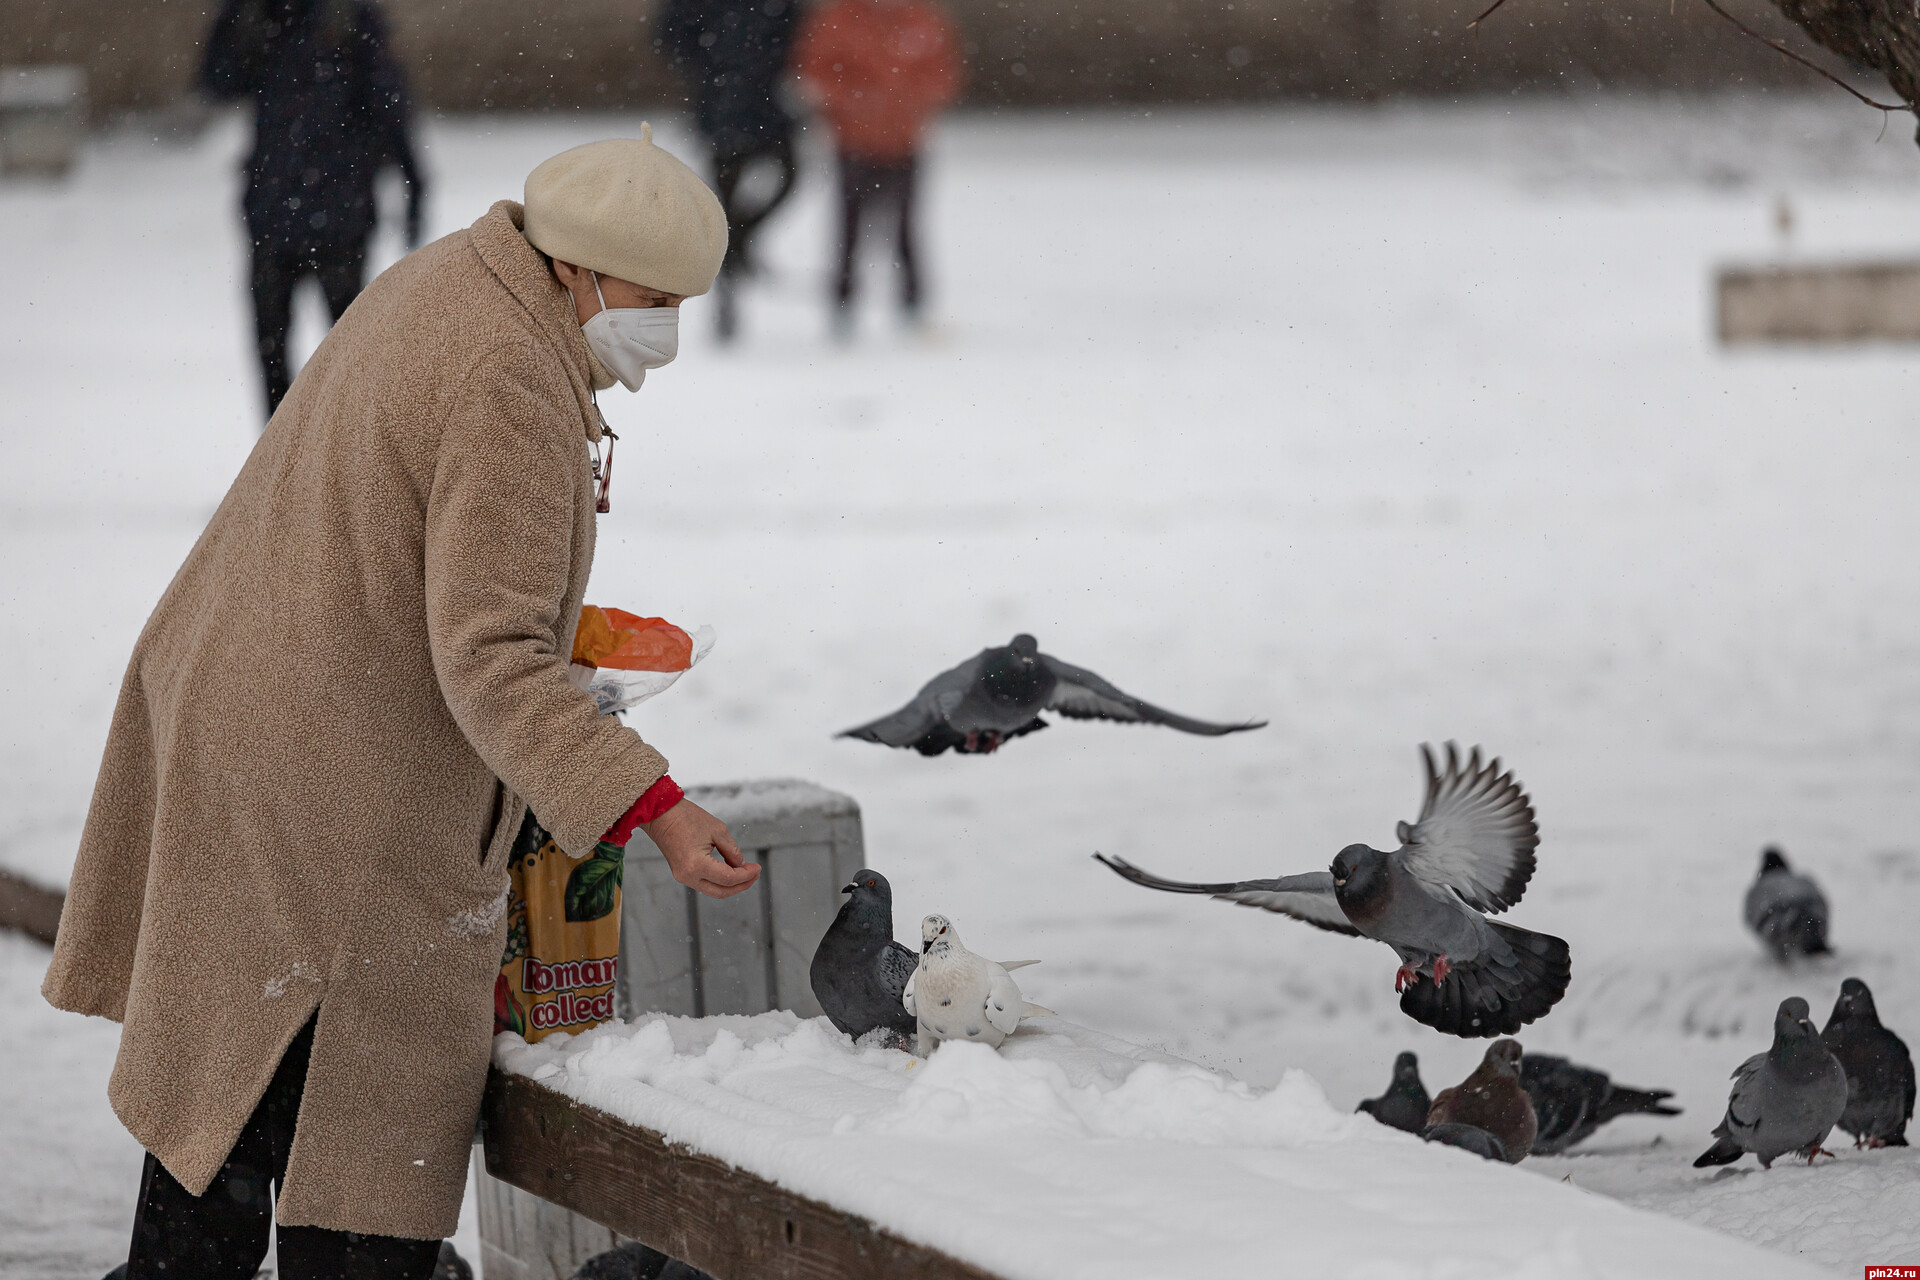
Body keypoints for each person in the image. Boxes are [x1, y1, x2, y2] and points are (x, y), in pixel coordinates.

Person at [43, 130, 759, 1280]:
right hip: (336, 775)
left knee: (224, 1100)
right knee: (358, 1132)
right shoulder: (511, 374)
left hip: (263, 709)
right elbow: (488, 656)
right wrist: (655, 803)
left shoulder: (459, 278)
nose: (667, 325)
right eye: (653, 294)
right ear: (577, 266)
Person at [201, 0, 425, 418]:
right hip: (273, 218)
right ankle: (282, 470)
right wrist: (237, 18)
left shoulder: (348, 15)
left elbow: (389, 105)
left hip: (339, 218)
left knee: (348, 361)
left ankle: (348, 466)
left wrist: (416, 185)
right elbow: (217, 81)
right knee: (273, 357)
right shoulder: (261, 14)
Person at [792, 0, 962, 337]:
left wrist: (907, 104)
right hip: (853, 143)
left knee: (906, 227)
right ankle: (843, 304)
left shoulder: (920, 18)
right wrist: (854, 103)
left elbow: (943, 74)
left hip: (905, 142)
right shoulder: (841, 18)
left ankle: (912, 304)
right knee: (848, 228)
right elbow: (816, 71)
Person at [657, 0, 804, 341]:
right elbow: (669, 34)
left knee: (788, 176)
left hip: (764, 101)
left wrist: (771, 63)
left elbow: (796, 27)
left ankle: (739, 243)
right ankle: (727, 303)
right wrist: (710, 68)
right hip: (722, 103)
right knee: (722, 206)